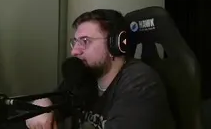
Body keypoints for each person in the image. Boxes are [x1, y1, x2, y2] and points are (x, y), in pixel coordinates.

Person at [24, 9, 174, 129]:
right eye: (75, 42)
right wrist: (42, 104)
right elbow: (55, 101)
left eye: (85, 41)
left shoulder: (140, 82)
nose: (74, 51)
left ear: (114, 45)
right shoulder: (84, 75)